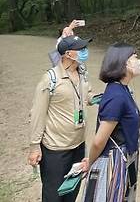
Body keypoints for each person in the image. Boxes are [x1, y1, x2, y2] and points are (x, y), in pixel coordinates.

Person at [28, 36, 93, 202]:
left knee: (72, 191)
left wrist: (100, 98)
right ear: (68, 54)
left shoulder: (83, 72)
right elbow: (37, 114)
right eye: (81, 49)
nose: (85, 51)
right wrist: (35, 146)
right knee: (54, 195)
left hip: (78, 145)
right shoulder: (50, 79)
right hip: (55, 149)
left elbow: (87, 94)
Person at [80, 44, 140, 201]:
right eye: (134, 57)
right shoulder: (116, 96)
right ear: (123, 63)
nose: (138, 61)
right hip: (114, 162)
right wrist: (91, 162)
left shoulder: (123, 89)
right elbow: (98, 141)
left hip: (125, 158)